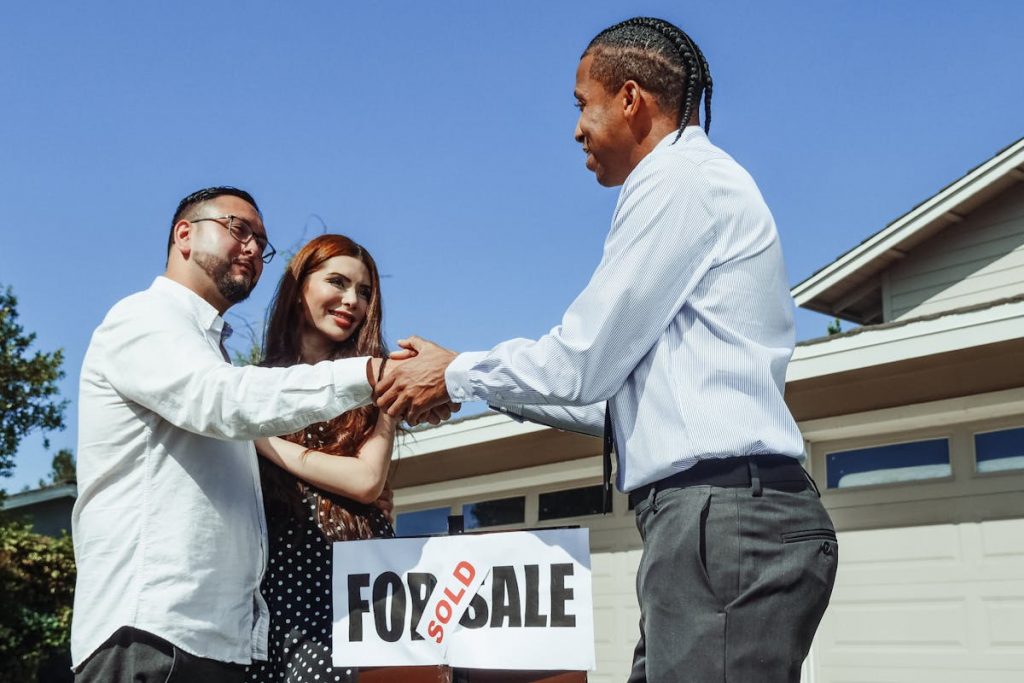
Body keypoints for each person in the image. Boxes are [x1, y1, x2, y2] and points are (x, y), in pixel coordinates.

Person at [375, 17, 837, 683]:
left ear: (629, 98)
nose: (575, 129)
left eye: (581, 104)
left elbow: (583, 360)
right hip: (715, 521)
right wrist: (474, 383)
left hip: (723, 519)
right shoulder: (693, 181)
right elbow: (614, 405)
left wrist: (456, 374)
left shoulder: (677, 179)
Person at [71, 188, 400, 682]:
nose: (252, 248)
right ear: (185, 233)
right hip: (152, 632)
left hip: (220, 643)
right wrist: (374, 374)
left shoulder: (210, 350)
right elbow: (223, 401)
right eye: (238, 229)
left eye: (262, 242)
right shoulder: (144, 319)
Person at [244, 234, 398, 683]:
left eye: (365, 292)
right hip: (270, 596)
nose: (353, 300)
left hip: (353, 593)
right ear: (299, 288)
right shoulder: (249, 387)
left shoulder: (378, 386)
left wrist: (260, 441)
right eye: (338, 282)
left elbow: (367, 481)